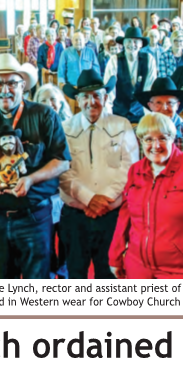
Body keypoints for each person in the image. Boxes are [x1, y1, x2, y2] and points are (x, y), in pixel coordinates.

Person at [0, 55, 70, 280]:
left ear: (23, 85)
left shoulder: (45, 116)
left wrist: (31, 179)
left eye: (11, 83)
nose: (4, 90)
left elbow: (62, 160)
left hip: (34, 218)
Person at [108, 113, 183, 279]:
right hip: (138, 268)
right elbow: (126, 215)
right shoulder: (135, 170)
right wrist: (115, 256)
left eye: (162, 138)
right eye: (148, 139)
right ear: (141, 141)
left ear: (173, 138)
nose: (155, 145)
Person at [59, 70, 140, 279]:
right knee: (75, 275)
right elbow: (62, 171)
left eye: (97, 95)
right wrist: (88, 198)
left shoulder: (121, 124)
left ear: (106, 97)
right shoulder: (65, 128)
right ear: (77, 99)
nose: (91, 101)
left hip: (111, 215)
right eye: (85, 96)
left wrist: (104, 200)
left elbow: (130, 167)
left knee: (110, 276)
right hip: (75, 216)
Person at [137, 77, 183, 157]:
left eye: (170, 103)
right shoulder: (137, 135)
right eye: (158, 103)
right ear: (150, 106)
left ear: (177, 105)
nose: (164, 108)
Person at [111, 25, 155, 119]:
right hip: (119, 112)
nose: (132, 44)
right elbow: (110, 89)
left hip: (141, 112)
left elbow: (149, 89)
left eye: (135, 41)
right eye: (128, 41)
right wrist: (108, 115)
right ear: (123, 43)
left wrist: (148, 116)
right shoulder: (114, 60)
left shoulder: (149, 59)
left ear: (141, 45)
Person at [56, 28, 101, 98]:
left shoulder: (90, 52)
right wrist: (62, 84)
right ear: (72, 41)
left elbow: (96, 69)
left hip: (87, 88)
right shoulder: (65, 53)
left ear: (84, 41)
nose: (78, 42)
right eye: (76, 40)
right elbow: (61, 71)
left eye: (80, 40)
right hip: (71, 88)